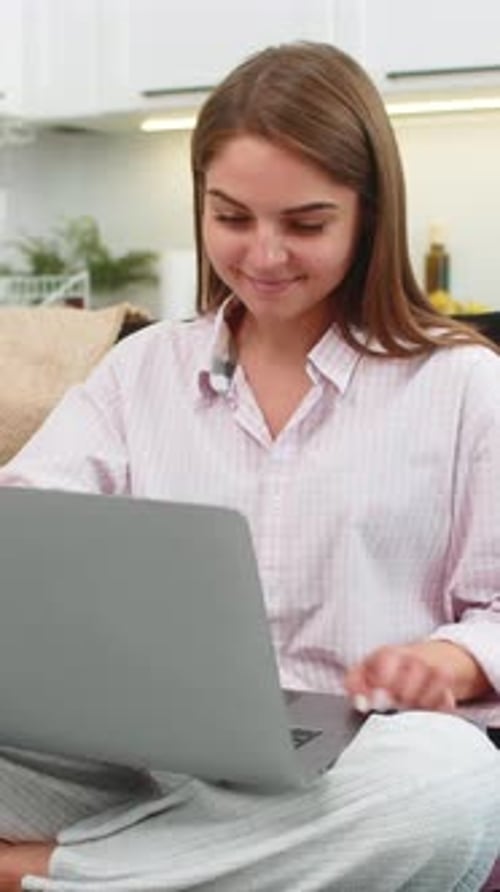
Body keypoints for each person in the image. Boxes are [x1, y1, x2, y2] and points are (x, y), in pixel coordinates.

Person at [0, 40, 499, 892]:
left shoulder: (464, 386)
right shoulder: (140, 371)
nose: (264, 255)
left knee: (453, 789)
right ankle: (178, 863)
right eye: (231, 217)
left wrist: (449, 662)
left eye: (304, 224)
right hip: (143, 760)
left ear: (370, 215)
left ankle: (49, 873)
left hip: (353, 771)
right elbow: (27, 529)